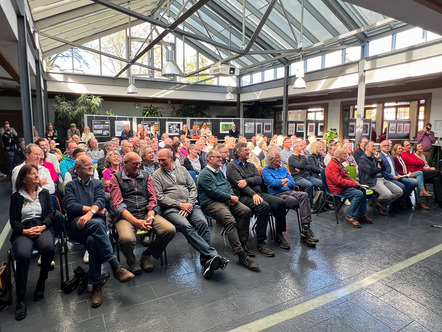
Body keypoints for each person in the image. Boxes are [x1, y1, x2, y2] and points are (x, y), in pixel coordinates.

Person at [64, 155, 134, 308]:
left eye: (91, 165)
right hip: (76, 225)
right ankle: (115, 266)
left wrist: (89, 214)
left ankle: (96, 286)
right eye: (87, 165)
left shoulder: (97, 184)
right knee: (96, 225)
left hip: (94, 224)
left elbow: (101, 201)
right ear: (78, 169)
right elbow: (70, 206)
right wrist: (93, 211)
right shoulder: (70, 186)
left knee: (92, 240)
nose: (91, 167)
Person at [153, 149, 229, 279]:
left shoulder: (182, 170)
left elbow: (193, 188)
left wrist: (189, 203)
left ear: (171, 158)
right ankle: (212, 255)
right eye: (158, 160)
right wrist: (179, 205)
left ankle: (206, 261)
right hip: (171, 209)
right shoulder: (157, 175)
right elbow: (160, 197)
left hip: (190, 205)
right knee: (185, 226)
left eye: (163, 160)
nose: (160, 162)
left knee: (202, 223)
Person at [109, 152, 176, 275]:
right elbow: (118, 205)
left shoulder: (146, 176)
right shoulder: (116, 178)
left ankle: (147, 254)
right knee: (126, 239)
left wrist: (150, 216)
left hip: (146, 213)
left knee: (169, 230)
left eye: (139, 163)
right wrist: (136, 222)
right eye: (134, 164)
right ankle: (131, 260)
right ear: (125, 163)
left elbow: (153, 199)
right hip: (126, 216)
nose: (138, 166)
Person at [198, 150, 259, 271]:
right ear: (209, 159)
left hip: (225, 200)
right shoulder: (204, 174)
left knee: (245, 211)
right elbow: (212, 192)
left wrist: (231, 196)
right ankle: (241, 255)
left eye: (221, 157)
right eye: (218, 157)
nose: (221, 159)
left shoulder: (219, 172)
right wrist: (230, 197)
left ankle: (242, 243)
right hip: (211, 203)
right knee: (229, 220)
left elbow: (227, 185)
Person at [10, 164, 54, 320]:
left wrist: (43, 226)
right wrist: (24, 231)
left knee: (48, 247)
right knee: (22, 255)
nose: (37, 176)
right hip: (24, 229)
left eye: (37, 173)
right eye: (32, 174)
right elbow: (13, 220)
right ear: (23, 178)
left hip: (42, 226)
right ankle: (21, 296)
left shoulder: (45, 193)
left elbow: (50, 214)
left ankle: (42, 280)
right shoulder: (16, 197)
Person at [226, 142, 287, 257]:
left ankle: (279, 234)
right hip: (243, 196)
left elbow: (259, 179)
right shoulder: (232, 167)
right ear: (238, 153)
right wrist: (253, 193)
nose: (249, 152)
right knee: (264, 206)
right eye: (245, 150)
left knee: (280, 203)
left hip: (258, 193)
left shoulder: (251, 165)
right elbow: (240, 185)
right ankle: (261, 241)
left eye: (248, 149)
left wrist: (247, 180)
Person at [262, 150, 318, 247]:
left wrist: (282, 182)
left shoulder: (283, 169)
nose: (280, 159)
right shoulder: (265, 170)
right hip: (276, 194)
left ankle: (305, 228)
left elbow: (292, 182)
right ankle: (282, 234)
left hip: (289, 191)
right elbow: (273, 184)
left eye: (279, 157)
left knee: (304, 195)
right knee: (296, 201)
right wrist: (284, 180)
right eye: (278, 157)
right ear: (271, 160)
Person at [325, 149, 372, 227]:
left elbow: (346, 177)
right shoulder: (333, 165)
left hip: (341, 187)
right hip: (337, 189)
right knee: (358, 194)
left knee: (362, 190)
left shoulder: (338, 163)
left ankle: (361, 214)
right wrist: (353, 184)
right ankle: (350, 217)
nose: (347, 156)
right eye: (346, 155)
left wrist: (354, 182)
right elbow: (338, 182)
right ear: (341, 155)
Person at [358, 141, 403, 215]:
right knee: (388, 195)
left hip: (381, 178)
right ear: (367, 148)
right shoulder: (363, 159)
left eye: (374, 146)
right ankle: (378, 203)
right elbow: (370, 171)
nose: (375, 148)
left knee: (399, 192)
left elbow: (384, 168)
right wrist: (379, 168)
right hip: (371, 180)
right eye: (372, 146)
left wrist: (379, 159)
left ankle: (378, 203)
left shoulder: (374, 157)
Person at [402, 140, 442, 208]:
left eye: (409, 145)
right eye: (407, 145)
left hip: (421, 171)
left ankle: (440, 201)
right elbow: (415, 162)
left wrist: (418, 164)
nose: (409, 146)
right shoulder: (406, 154)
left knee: (437, 179)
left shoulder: (413, 154)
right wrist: (419, 164)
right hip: (416, 173)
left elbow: (422, 163)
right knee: (438, 172)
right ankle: (422, 197)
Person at [379, 140, 417, 210]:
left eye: (388, 146)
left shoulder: (390, 156)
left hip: (396, 175)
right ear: (381, 148)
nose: (387, 147)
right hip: (388, 178)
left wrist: (398, 175)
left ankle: (398, 202)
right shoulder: (380, 157)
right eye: (385, 146)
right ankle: (395, 204)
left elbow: (394, 169)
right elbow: (382, 171)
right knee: (402, 186)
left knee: (411, 184)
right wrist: (393, 176)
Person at [391, 144, 430, 210]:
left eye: (401, 149)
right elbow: (397, 171)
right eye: (399, 149)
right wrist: (408, 175)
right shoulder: (395, 158)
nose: (401, 150)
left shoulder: (401, 157)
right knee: (417, 182)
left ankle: (422, 190)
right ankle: (420, 199)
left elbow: (421, 163)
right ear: (395, 150)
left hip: (406, 174)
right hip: (401, 176)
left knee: (420, 173)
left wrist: (409, 173)